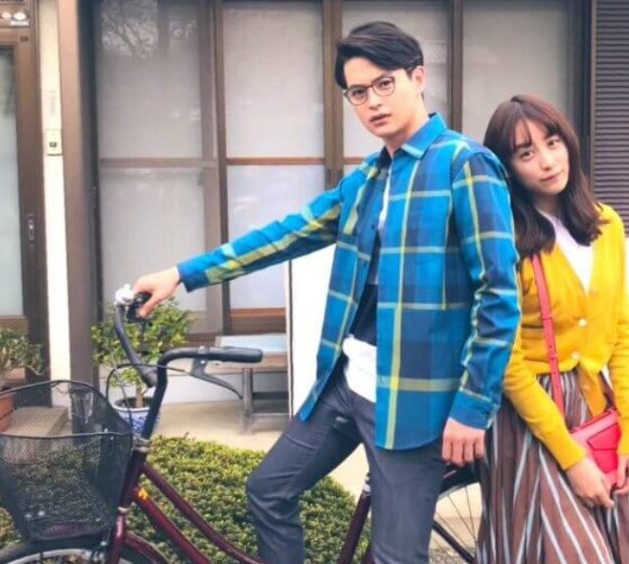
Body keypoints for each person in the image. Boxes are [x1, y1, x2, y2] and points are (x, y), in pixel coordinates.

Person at [133, 22, 520, 564]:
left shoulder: (464, 165)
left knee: (395, 557)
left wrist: (473, 407)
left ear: (417, 78)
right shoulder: (367, 179)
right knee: (268, 491)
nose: (373, 102)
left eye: (384, 84)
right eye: (358, 92)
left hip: (414, 400)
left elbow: (498, 296)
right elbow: (283, 236)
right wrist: (181, 273)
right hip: (345, 382)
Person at [478, 94, 629, 563]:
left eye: (552, 143)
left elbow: (622, 336)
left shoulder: (606, 224)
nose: (547, 161)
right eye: (526, 153)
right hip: (529, 415)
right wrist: (571, 459)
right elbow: (506, 360)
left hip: (597, 405)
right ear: (507, 168)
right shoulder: (507, 239)